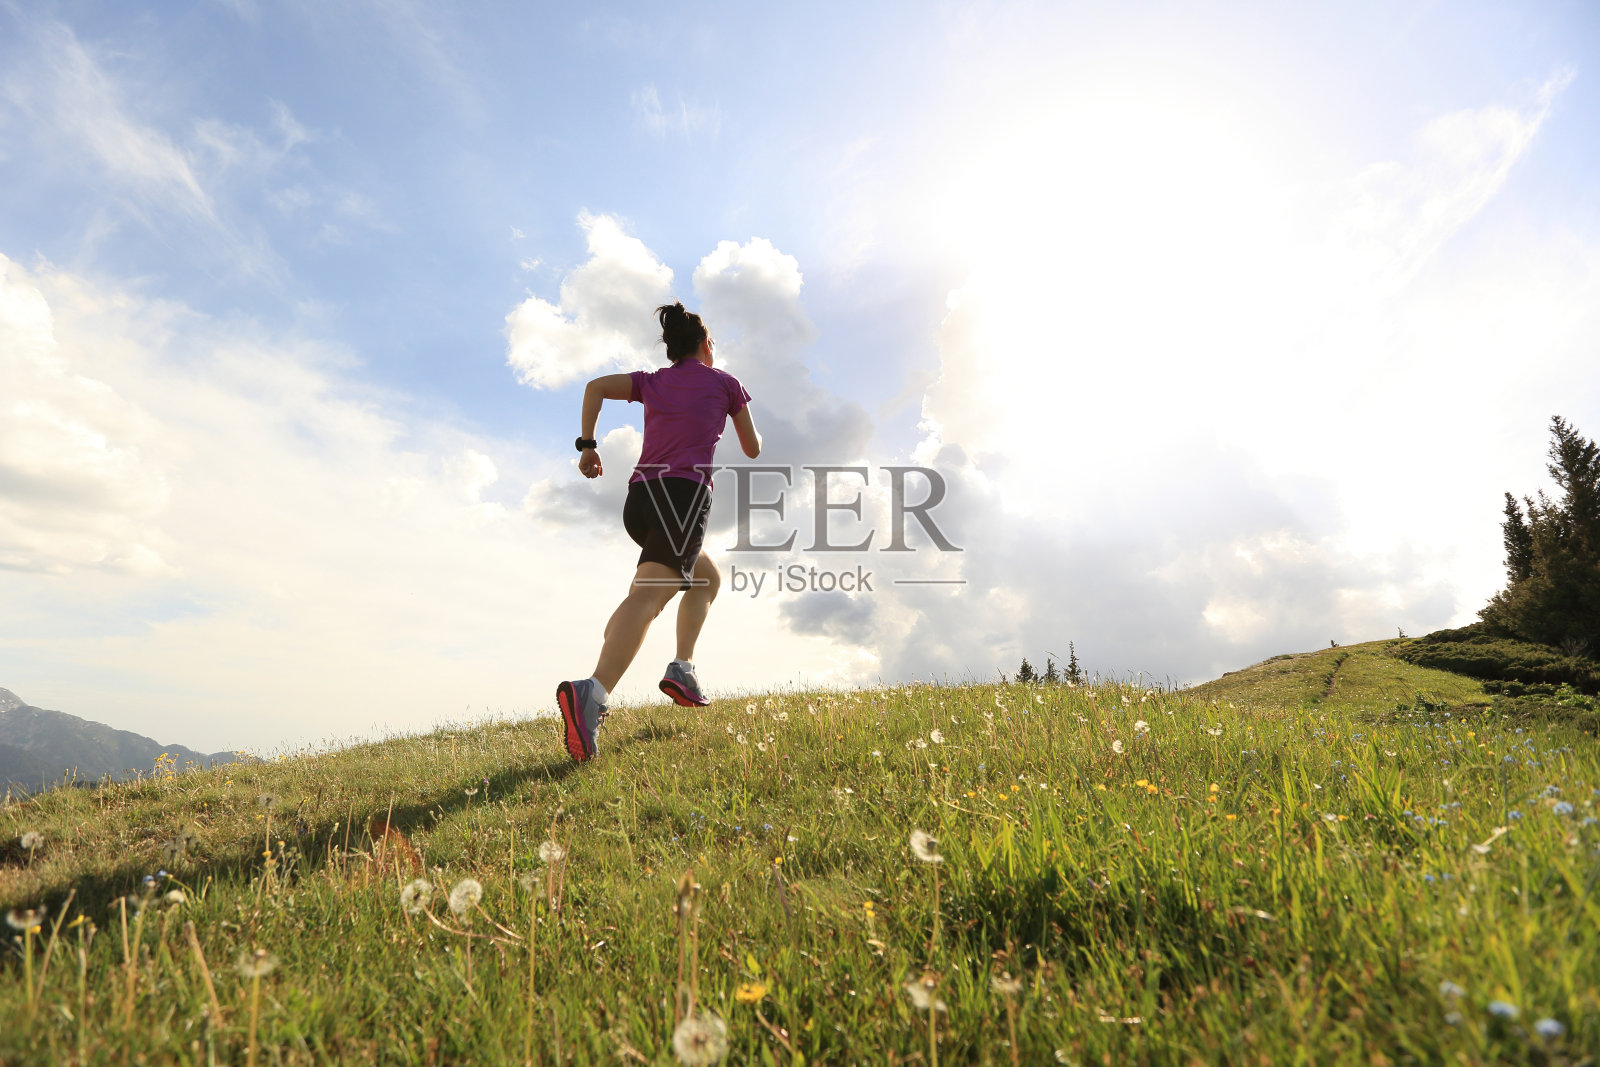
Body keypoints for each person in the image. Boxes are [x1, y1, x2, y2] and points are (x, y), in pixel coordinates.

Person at [556, 302, 762, 762]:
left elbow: (594, 387)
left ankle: (681, 668)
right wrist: (733, 411)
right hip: (682, 497)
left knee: (703, 578)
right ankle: (593, 691)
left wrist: (588, 446)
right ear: (706, 346)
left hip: (640, 501)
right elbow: (752, 449)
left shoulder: (653, 381)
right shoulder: (726, 383)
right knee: (648, 598)